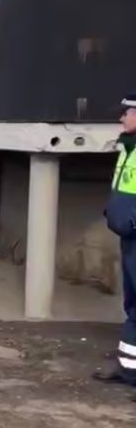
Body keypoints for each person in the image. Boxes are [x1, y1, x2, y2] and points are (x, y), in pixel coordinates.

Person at [93, 95, 136, 392]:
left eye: (126, 113)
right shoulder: (127, 147)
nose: (121, 118)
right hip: (129, 238)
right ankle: (129, 368)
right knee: (132, 303)